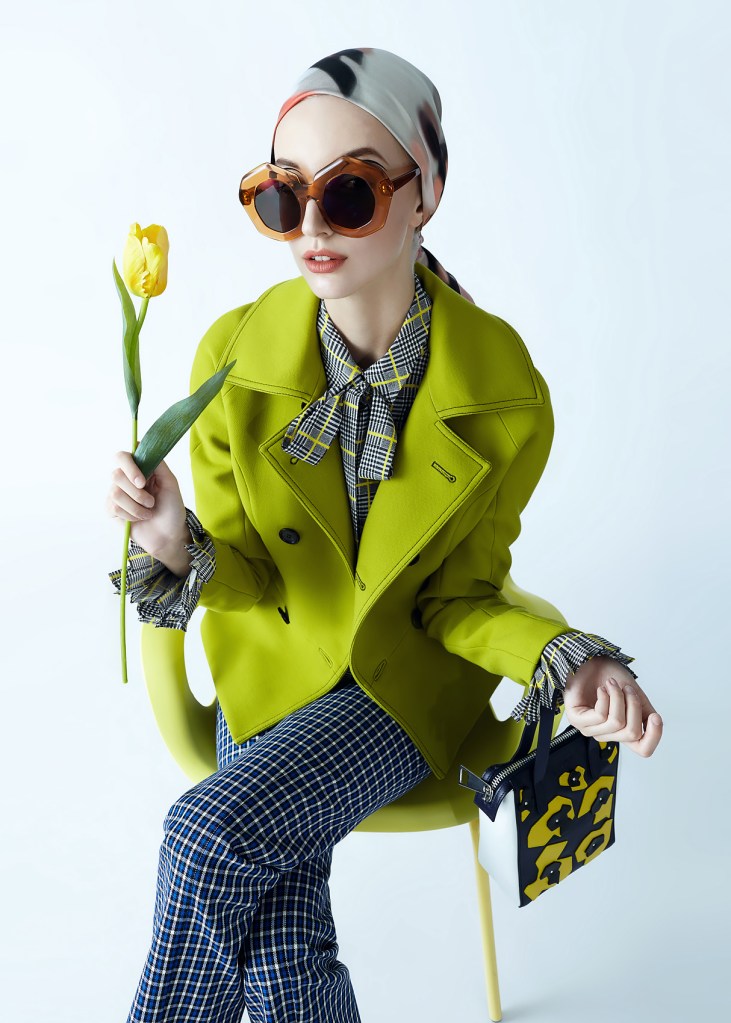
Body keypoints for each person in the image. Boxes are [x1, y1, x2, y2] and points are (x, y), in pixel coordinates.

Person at [106, 47, 663, 1023]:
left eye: (350, 193)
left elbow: (460, 597)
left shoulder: (502, 395)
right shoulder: (231, 358)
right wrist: (170, 539)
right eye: (281, 196)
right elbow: (247, 575)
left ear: (424, 193)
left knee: (206, 836)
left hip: (396, 690)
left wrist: (566, 660)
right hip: (269, 667)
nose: (311, 228)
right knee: (283, 951)